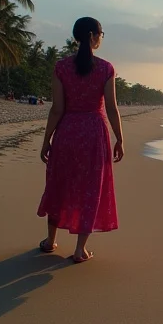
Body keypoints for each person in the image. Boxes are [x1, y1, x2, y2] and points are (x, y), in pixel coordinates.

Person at [37, 17, 123, 263]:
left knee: (59, 184)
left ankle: (50, 241)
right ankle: (79, 250)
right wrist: (120, 139)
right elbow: (112, 108)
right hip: (95, 133)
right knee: (90, 189)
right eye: (102, 33)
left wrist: (47, 140)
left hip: (67, 131)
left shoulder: (61, 67)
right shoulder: (106, 68)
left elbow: (57, 109)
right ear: (95, 36)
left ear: (77, 37)